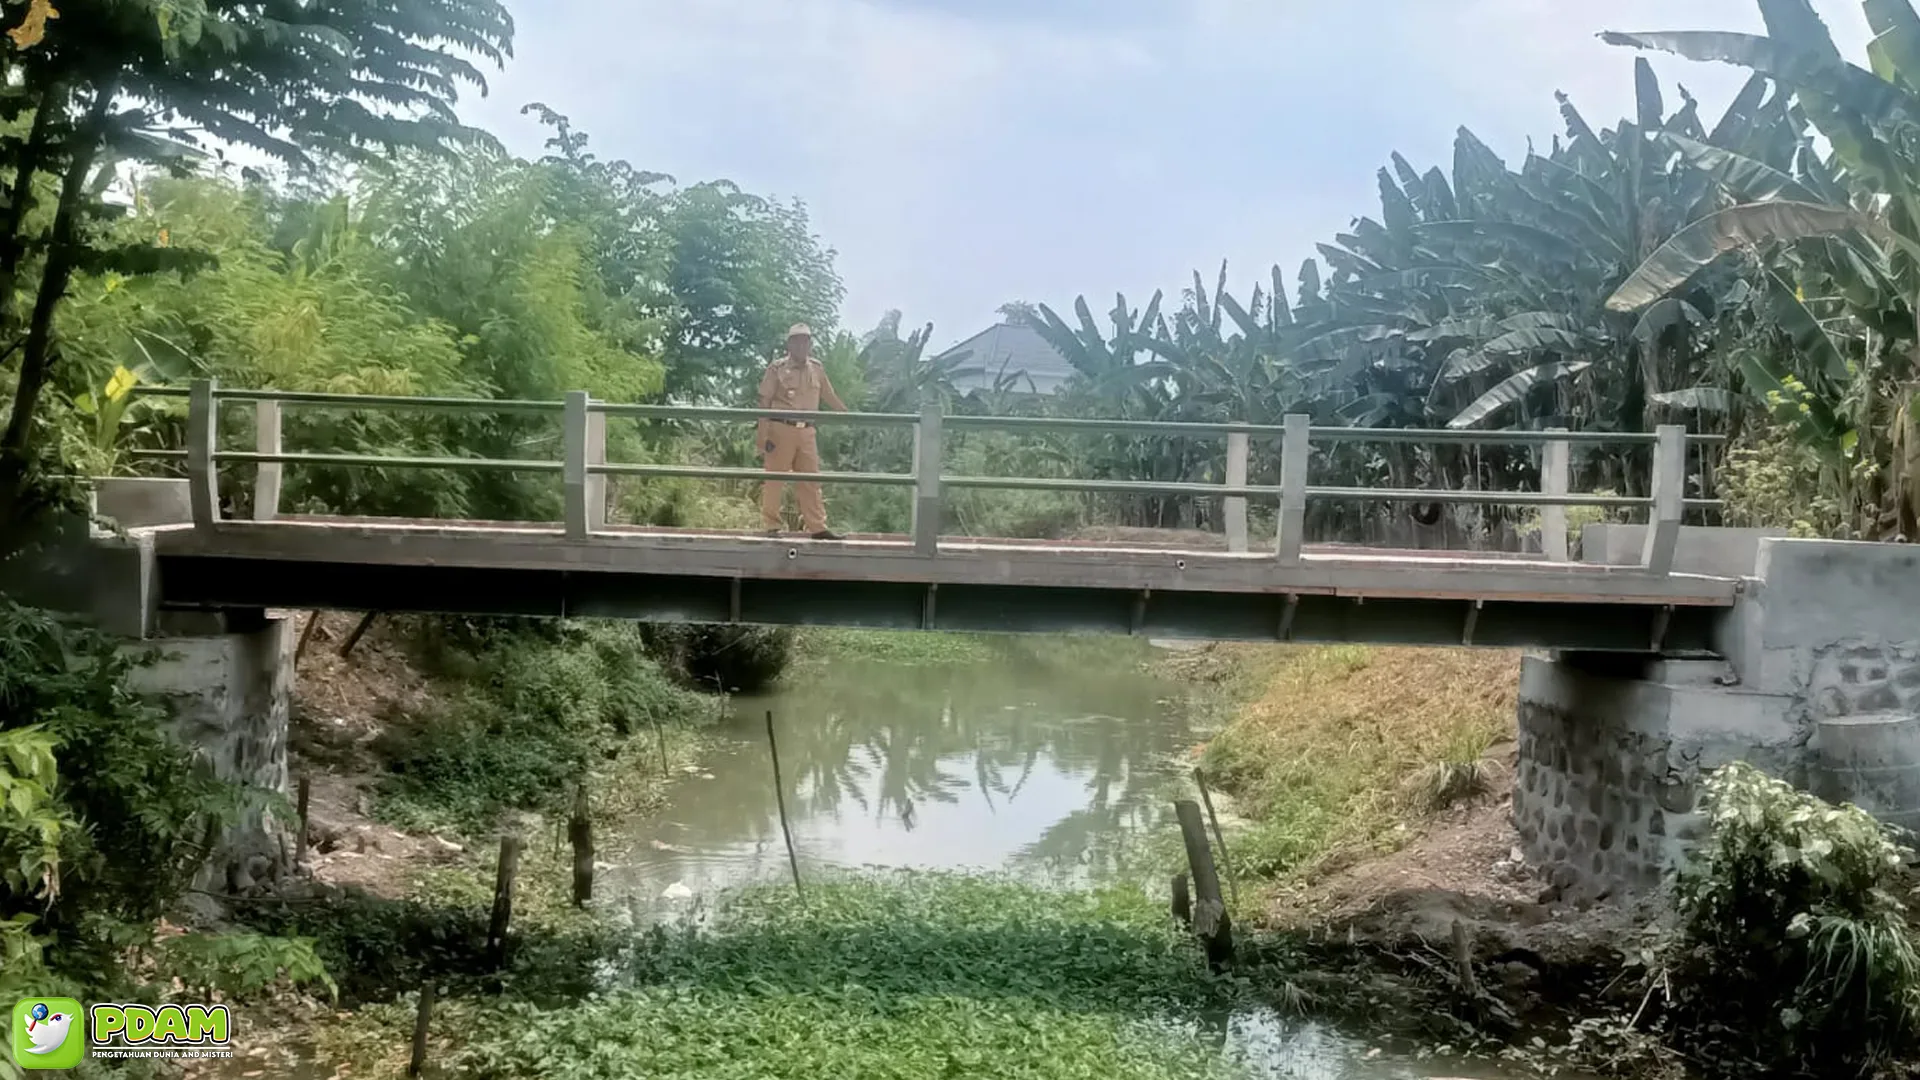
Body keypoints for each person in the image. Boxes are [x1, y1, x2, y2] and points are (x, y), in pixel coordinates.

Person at [757, 323, 848, 539]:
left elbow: (829, 395)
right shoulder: (776, 368)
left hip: (807, 431)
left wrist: (848, 414)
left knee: (811, 480)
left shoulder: (816, 368)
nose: (801, 345)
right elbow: (763, 402)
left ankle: (817, 527)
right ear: (789, 344)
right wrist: (763, 436)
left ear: (811, 344)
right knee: (774, 479)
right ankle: (772, 526)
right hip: (781, 428)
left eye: (805, 340)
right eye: (797, 340)